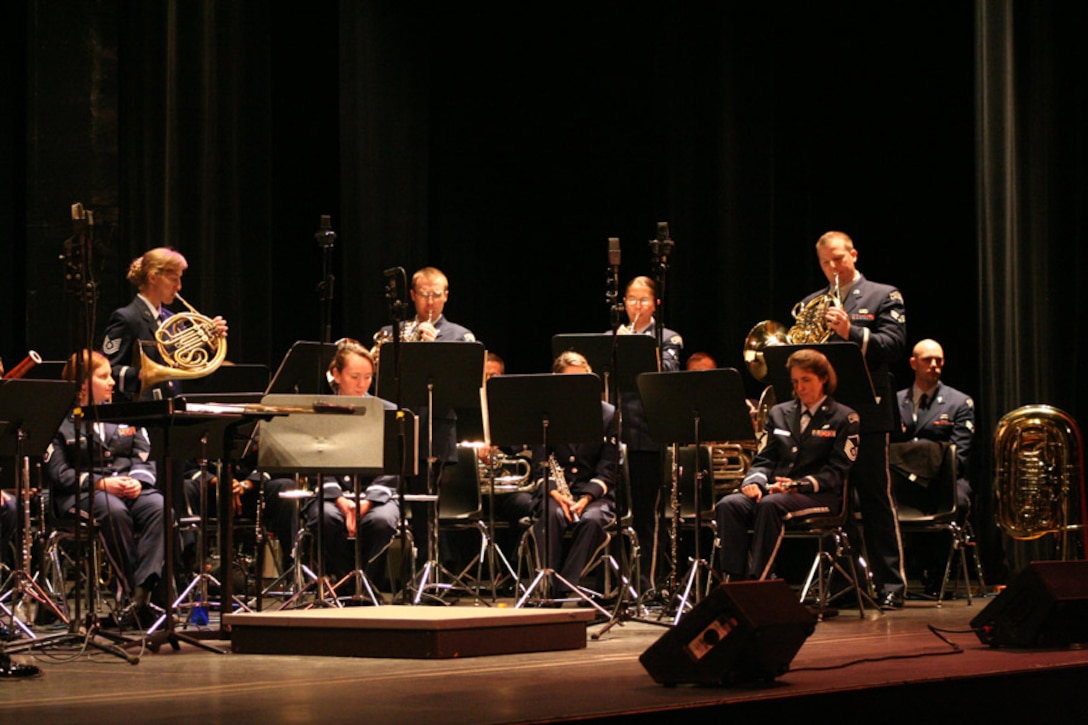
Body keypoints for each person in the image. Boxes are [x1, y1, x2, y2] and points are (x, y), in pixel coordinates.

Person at [799, 230, 907, 608]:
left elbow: (893, 346)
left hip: (869, 414)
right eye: (826, 262)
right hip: (827, 418)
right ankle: (850, 584)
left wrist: (852, 331)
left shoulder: (884, 295)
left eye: (839, 259)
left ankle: (891, 585)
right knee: (833, 504)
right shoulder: (810, 303)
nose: (833, 267)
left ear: (854, 255)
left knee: (875, 500)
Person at [43, 350, 166, 629]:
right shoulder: (59, 422)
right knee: (114, 512)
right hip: (81, 495)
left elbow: (144, 454)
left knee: (158, 506)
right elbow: (60, 474)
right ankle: (130, 596)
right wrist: (99, 483)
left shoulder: (124, 414)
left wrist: (138, 481)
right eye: (104, 376)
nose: (112, 382)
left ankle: (141, 596)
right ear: (83, 384)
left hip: (127, 488)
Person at [716, 349, 859, 581]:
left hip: (819, 496)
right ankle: (734, 580)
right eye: (795, 381)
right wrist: (753, 482)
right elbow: (765, 459)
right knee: (729, 505)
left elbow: (837, 471)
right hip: (775, 491)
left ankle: (758, 583)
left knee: (770, 506)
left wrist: (798, 485)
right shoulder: (779, 413)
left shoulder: (844, 417)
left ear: (823, 379)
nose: (800, 388)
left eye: (806, 380)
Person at [373, 267, 477, 565]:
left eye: (436, 294)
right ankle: (375, 575)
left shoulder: (461, 336)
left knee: (425, 507)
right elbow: (376, 381)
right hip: (391, 429)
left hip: (435, 430)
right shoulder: (391, 333)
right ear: (412, 296)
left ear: (446, 296)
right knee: (380, 498)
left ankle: (428, 574)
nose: (429, 301)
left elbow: (465, 389)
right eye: (423, 294)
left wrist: (432, 351)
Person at [305, 339, 400, 586]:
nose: (362, 384)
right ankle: (345, 583)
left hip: (375, 496)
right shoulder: (316, 411)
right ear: (336, 374)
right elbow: (313, 459)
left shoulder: (388, 411)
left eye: (368, 377)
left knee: (382, 521)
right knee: (325, 519)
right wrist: (340, 500)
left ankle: (369, 585)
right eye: (355, 376)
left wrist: (367, 501)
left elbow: (393, 465)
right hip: (330, 496)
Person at [528, 351, 619, 600]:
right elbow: (540, 463)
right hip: (555, 492)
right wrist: (558, 494)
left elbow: (608, 468)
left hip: (593, 495)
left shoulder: (608, 414)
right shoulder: (545, 414)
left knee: (592, 520)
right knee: (552, 515)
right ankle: (546, 583)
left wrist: (586, 498)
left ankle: (562, 589)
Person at [612, 276, 682, 594]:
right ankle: (614, 583)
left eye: (643, 301)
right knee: (613, 515)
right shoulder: (610, 337)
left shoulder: (668, 337)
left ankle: (647, 585)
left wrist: (636, 347)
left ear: (655, 304)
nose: (636, 306)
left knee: (645, 515)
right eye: (630, 300)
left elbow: (666, 374)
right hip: (614, 438)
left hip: (646, 437)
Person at [895, 338, 975, 595]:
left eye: (938, 360)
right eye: (927, 360)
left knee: (959, 501)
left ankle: (940, 574)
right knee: (868, 501)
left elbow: (959, 454)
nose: (934, 365)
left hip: (943, 479)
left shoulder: (959, 403)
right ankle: (888, 578)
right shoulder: (895, 402)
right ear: (913, 363)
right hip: (901, 478)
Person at [100, 247, 228, 403]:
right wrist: (140, 375)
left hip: (170, 406)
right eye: (174, 279)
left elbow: (191, 373)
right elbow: (107, 369)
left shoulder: (172, 319)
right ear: (153, 277)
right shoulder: (127, 317)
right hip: (139, 412)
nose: (179, 286)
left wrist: (209, 345)